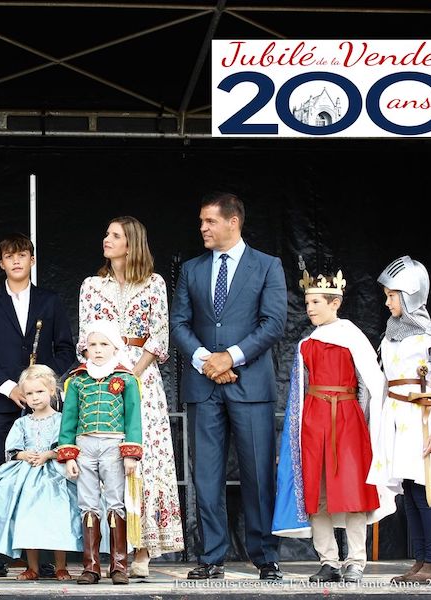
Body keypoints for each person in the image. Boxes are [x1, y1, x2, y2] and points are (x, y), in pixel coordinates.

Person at [171, 192, 287, 581]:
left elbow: (273, 323)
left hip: (250, 385)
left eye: (209, 221)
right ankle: (212, 556)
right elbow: (179, 324)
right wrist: (207, 360)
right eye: (201, 222)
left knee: (258, 474)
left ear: (233, 221)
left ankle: (265, 556)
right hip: (204, 385)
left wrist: (231, 356)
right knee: (206, 475)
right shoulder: (192, 269)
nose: (202, 227)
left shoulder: (268, 266)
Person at [77, 216, 183, 575]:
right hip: (100, 382)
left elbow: (159, 337)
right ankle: (106, 553)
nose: (106, 239)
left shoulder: (153, 284)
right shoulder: (91, 286)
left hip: (141, 380)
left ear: (131, 243)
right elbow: (84, 338)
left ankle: (143, 549)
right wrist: (103, 375)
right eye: (106, 233)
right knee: (103, 461)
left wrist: (130, 377)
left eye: (115, 235)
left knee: (143, 460)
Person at [272, 270, 392, 583]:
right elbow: (298, 395)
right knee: (317, 496)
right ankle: (329, 561)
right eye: (307, 302)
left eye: (315, 302)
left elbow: (372, 383)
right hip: (314, 423)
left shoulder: (351, 335)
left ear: (334, 303)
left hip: (347, 422)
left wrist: (371, 427)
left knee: (353, 492)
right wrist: (294, 441)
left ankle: (356, 561)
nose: (309, 308)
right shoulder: (306, 344)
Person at [0, 233, 75, 578]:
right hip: (2, 404)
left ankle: (43, 556)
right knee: (4, 480)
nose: (17, 261)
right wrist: (9, 387)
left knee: (46, 482)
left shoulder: (50, 300)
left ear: (32, 260)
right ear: (1, 263)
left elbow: (65, 350)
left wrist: (40, 386)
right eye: (10, 256)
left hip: (45, 405)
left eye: (23, 255)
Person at [371, 256, 431, 585]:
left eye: (393, 295)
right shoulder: (389, 337)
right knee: (409, 489)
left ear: (410, 295)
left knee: (425, 491)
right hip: (396, 418)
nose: (387, 301)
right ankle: (421, 562)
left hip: (421, 418)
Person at [58, 320, 142, 586]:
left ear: (115, 347)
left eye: (104, 344)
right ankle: (91, 566)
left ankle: (119, 565)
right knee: (88, 504)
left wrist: (130, 452)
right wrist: (69, 454)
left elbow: (133, 419)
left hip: (113, 447)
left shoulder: (126, 378)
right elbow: (69, 419)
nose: (97, 349)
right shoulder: (78, 381)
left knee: (116, 502)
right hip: (84, 447)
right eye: (92, 344)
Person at [0, 364, 79, 581]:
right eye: (30, 393)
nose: (35, 398)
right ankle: (32, 566)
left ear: (52, 390)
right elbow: (12, 450)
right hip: (26, 474)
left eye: (40, 392)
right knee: (24, 512)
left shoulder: (61, 420)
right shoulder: (22, 422)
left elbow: (65, 445)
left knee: (58, 513)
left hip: (54, 474)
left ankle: (60, 565)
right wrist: (23, 455)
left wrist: (48, 455)